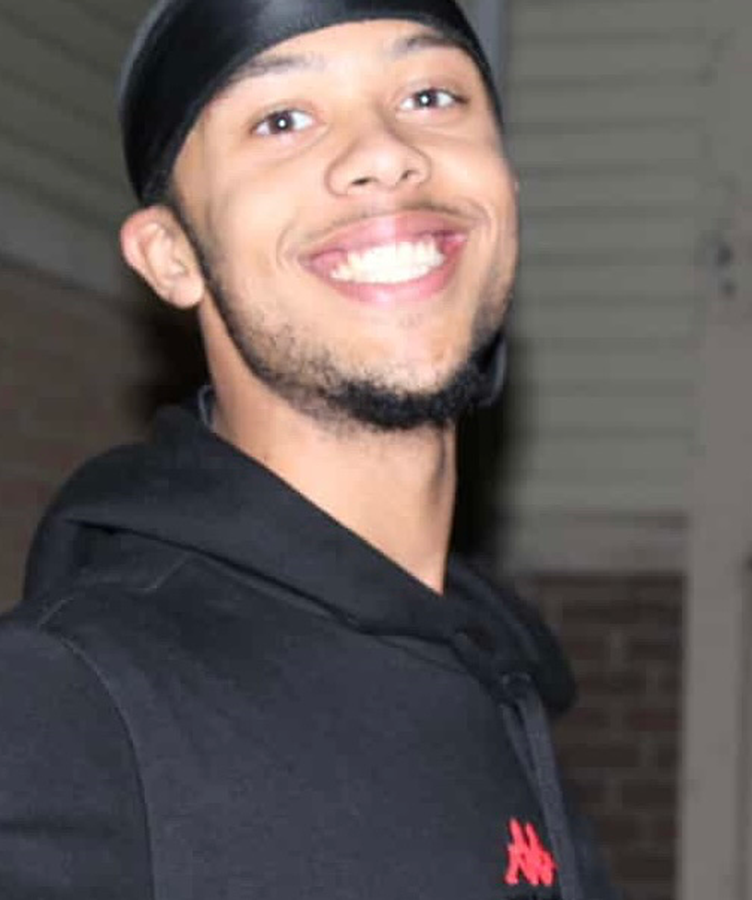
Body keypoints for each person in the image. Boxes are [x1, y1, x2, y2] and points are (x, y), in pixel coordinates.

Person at [0, 1, 617, 898]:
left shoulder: (500, 688)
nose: (384, 152)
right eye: (282, 119)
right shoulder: (69, 706)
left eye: (431, 97)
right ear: (172, 257)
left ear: (507, 189)